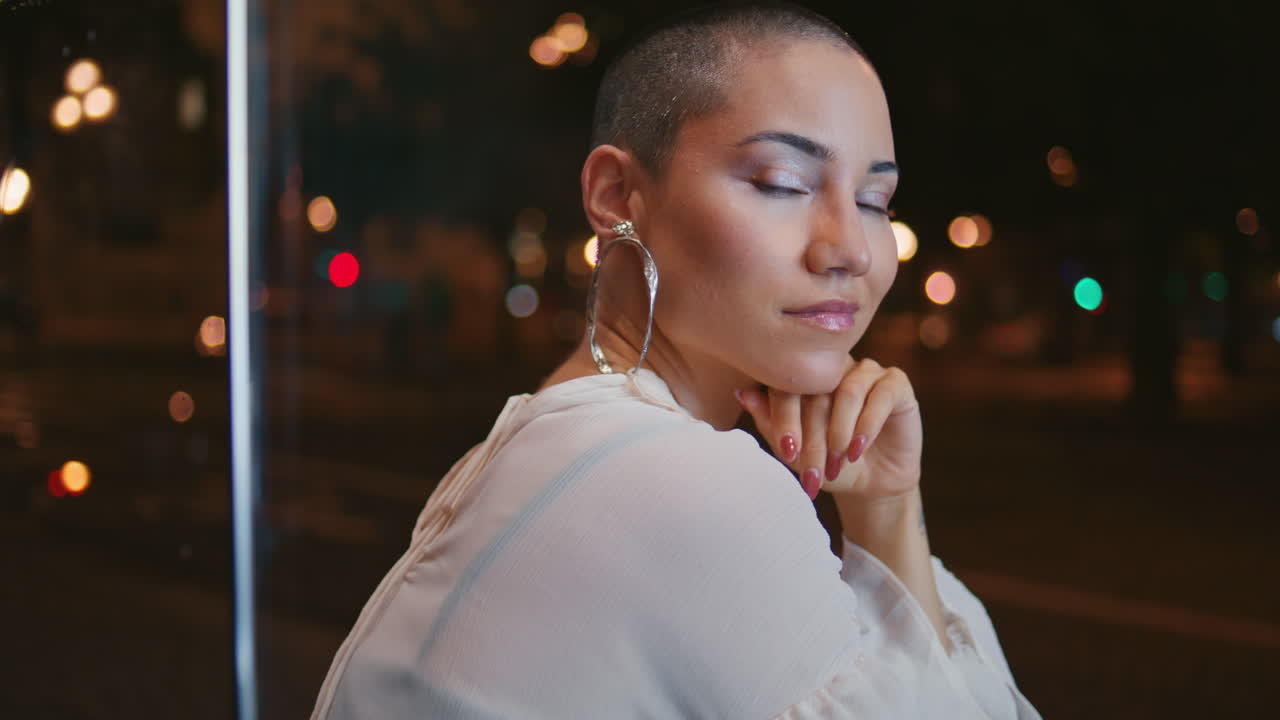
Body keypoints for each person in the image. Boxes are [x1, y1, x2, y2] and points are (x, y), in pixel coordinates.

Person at [312, 3, 1042, 717]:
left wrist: (882, 498)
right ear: (616, 193)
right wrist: (887, 516)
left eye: (877, 200)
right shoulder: (672, 475)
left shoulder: (565, 440)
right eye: (782, 184)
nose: (850, 249)